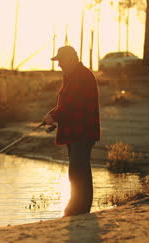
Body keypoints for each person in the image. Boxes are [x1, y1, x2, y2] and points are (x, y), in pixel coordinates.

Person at [42, 46, 100, 217]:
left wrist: (54, 117)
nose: (58, 64)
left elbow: (73, 105)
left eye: (60, 60)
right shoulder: (73, 75)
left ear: (70, 59)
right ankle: (78, 209)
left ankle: (78, 210)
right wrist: (53, 115)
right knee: (77, 171)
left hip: (82, 132)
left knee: (78, 171)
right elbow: (66, 105)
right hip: (76, 132)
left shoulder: (81, 76)